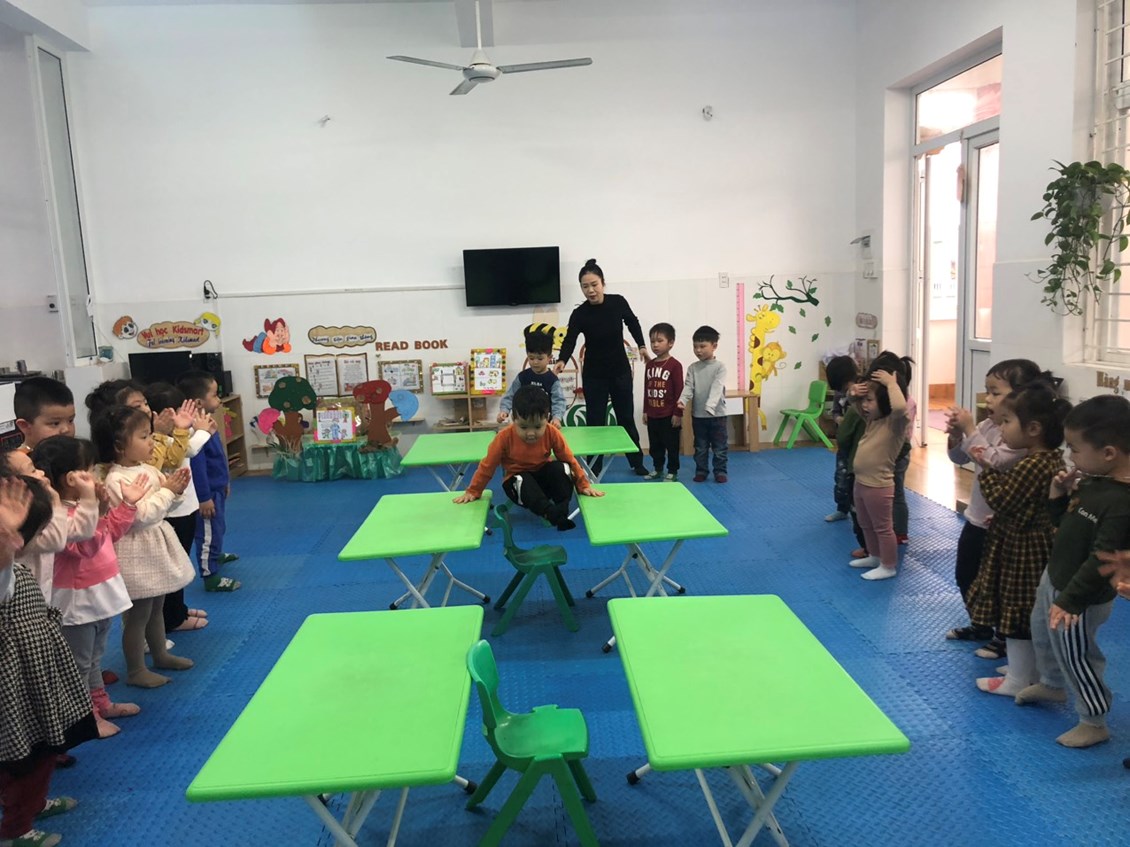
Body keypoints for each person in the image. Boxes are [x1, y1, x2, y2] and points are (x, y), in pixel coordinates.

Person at [1014, 395, 1130, 748]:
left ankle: (1094, 720)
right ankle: (1052, 684)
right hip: (1057, 578)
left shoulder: (1122, 503)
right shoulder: (1094, 481)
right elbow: (1065, 526)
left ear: (1108, 453)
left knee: (1077, 655)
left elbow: (1102, 559)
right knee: (1043, 635)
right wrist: (1058, 496)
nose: (1069, 456)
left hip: (1080, 596)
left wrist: (1071, 601)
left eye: (1075, 449)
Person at [0, 475, 96, 847]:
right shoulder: (7, 570)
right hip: (18, 682)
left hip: (35, 675)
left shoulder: (18, 566)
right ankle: (16, 829)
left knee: (40, 752)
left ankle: (33, 804)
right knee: (28, 758)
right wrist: (7, 540)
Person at [30, 436, 144, 738]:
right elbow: (84, 547)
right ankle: (85, 717)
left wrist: (125, 505)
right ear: (70, 479)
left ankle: (100, 703)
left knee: (95, 657)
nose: (95, 477)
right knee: (79, 663)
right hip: (77, 601)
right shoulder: (57, 515)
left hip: (102, 594)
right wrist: (96, 508)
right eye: (89, 470)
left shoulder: (84, 507)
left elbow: (111, 533)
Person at [965, 382, 1069, 697]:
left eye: (1007, 422)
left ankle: (1018, 679)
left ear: (1033, 429)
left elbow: (1002, 499)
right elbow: (1025, 503)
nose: (1002, 428)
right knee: (1025, 611)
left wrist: (986, 467)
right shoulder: (1046, 459)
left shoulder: (1033, 464)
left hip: (1023, 549)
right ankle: (1024, 670)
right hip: (1024, 540)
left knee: (1017, 610)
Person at [943, 358, 1044, 657]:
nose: (987, 399)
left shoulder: (1019, 435)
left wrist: (969, 428)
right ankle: (981, 623)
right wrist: (957, 435)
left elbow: (995, 460)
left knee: (1001, 583)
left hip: (1003, 525)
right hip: (976, 517)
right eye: (987, 391)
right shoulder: (988, 425)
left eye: (995, 392)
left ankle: (1004, 635)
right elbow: (960, 458)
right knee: (966, 574)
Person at [92, 405, 195, 688]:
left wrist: (174, 491)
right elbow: (140, 516)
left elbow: (163, 505)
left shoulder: (147, 468)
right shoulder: (116, 479)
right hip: (135, 550)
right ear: (119, 446)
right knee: (138, 614)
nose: (151, 441)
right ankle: (136, 669)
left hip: (153, 544)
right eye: (143, 436)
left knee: (156, 606)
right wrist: (168, 492)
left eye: (150, 434)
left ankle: (160, 654)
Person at [454, 386, 603, 530]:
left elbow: (570, 460)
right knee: (522, 479)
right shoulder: (504, 438)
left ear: (547, 418)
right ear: (514, 419)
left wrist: (583, 485)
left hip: (543, 482)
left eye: (537, 427)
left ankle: (561, 509)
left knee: (561, 467)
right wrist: (473, 491)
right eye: (524, 427)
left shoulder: (552, 433)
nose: (531, 433)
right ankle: (549, 513)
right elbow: (487, 466)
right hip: (518, 484)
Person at [554, 258, 650, 475]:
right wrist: (562, 360)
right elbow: (570, 339)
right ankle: (593, 467)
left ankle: (637, 462)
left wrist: (642, 346)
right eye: (585, 286)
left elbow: (633, 322)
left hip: (619, 371)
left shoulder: (618, 302)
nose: (590, 290)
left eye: (594, 284)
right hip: (594, 375)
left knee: (626, 418)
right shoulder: (580, 313)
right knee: (595, 422)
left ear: (603, 283)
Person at [145, 383, 212, 633]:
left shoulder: (173, 435)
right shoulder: (160, 441)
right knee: (174, 566)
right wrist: (202, 431)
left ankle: (179, 609)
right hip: (174, 512)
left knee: (181, 564)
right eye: (181, 413)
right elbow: (187, 451)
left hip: (185, 508)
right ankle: (173, 617)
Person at [177, 371, 240, 592]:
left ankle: (216, 554)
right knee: (207, 533)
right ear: (198, 402)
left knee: (218, 527)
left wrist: (225, 482)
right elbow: (197, 467)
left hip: (217, 487)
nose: (219, 400)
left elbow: (217, 457)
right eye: (214, 395)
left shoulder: (207, 424)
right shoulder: (193, 430)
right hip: (207, 493)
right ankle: (210, 574)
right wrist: (203, 498)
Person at [847, 366, 908, 581]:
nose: (865, 405)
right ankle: (874, 556)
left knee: (882, 528)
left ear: (884, 401)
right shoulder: (872, 420)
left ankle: (888, 565)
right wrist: (853, 394)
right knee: (865, 523)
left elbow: (900, 407)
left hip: (879, 485)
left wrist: (891, 384)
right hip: (861, 482)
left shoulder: (895, 424)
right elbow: (854, 404)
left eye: (870, 400)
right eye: (864, 400)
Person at [676, 326, 728, 483]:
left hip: (717, 416)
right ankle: (701, 471)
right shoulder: (693, 368)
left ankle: (720, 471)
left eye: (702, 346)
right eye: (695, 346)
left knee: (719, 447)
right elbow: (688, 386)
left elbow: (717, 387)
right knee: (700, 447)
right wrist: (682, 400)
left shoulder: (720, 367)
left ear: (714, 346)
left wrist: (710, 405)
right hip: (698, 416)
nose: (698, 350)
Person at [497, 325, 566, 427]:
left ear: (549, 358)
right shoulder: (522, 377)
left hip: (544, 425)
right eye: (531, 358)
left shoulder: (552, 380)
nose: (535, 362)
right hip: (523, 425)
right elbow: (510, 396)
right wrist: (504, 410)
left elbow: (559, 401)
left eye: (540, 358)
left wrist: (557, 418)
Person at [642, 322, 684, 481]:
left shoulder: (675, 365)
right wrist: (646, 410)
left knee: (671, 445)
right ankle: (658, 468)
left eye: (660, 341)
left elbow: (679, 391)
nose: (655, 345)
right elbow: (647, 389)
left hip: (669, 415)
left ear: (670, 343)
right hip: (653, 414)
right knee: (655, 445)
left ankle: (672, 471)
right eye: (652, 341)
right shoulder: (650, 365)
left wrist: (678, 413)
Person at [824, 355, 861, 522]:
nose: (845, 388)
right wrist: (840, 420)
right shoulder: (840, 393)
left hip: (859, 444)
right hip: (844, 442)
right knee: (841, 478)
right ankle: (842, 508)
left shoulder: (862, 390)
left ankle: (859, 513)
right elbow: (835, 412)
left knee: (857, 480)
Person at [13, 378, 76, 454]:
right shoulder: (18, 460)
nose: (66, 429)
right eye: (55, 423)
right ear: (25, 426)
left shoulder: (77, 454)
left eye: (70, 421)